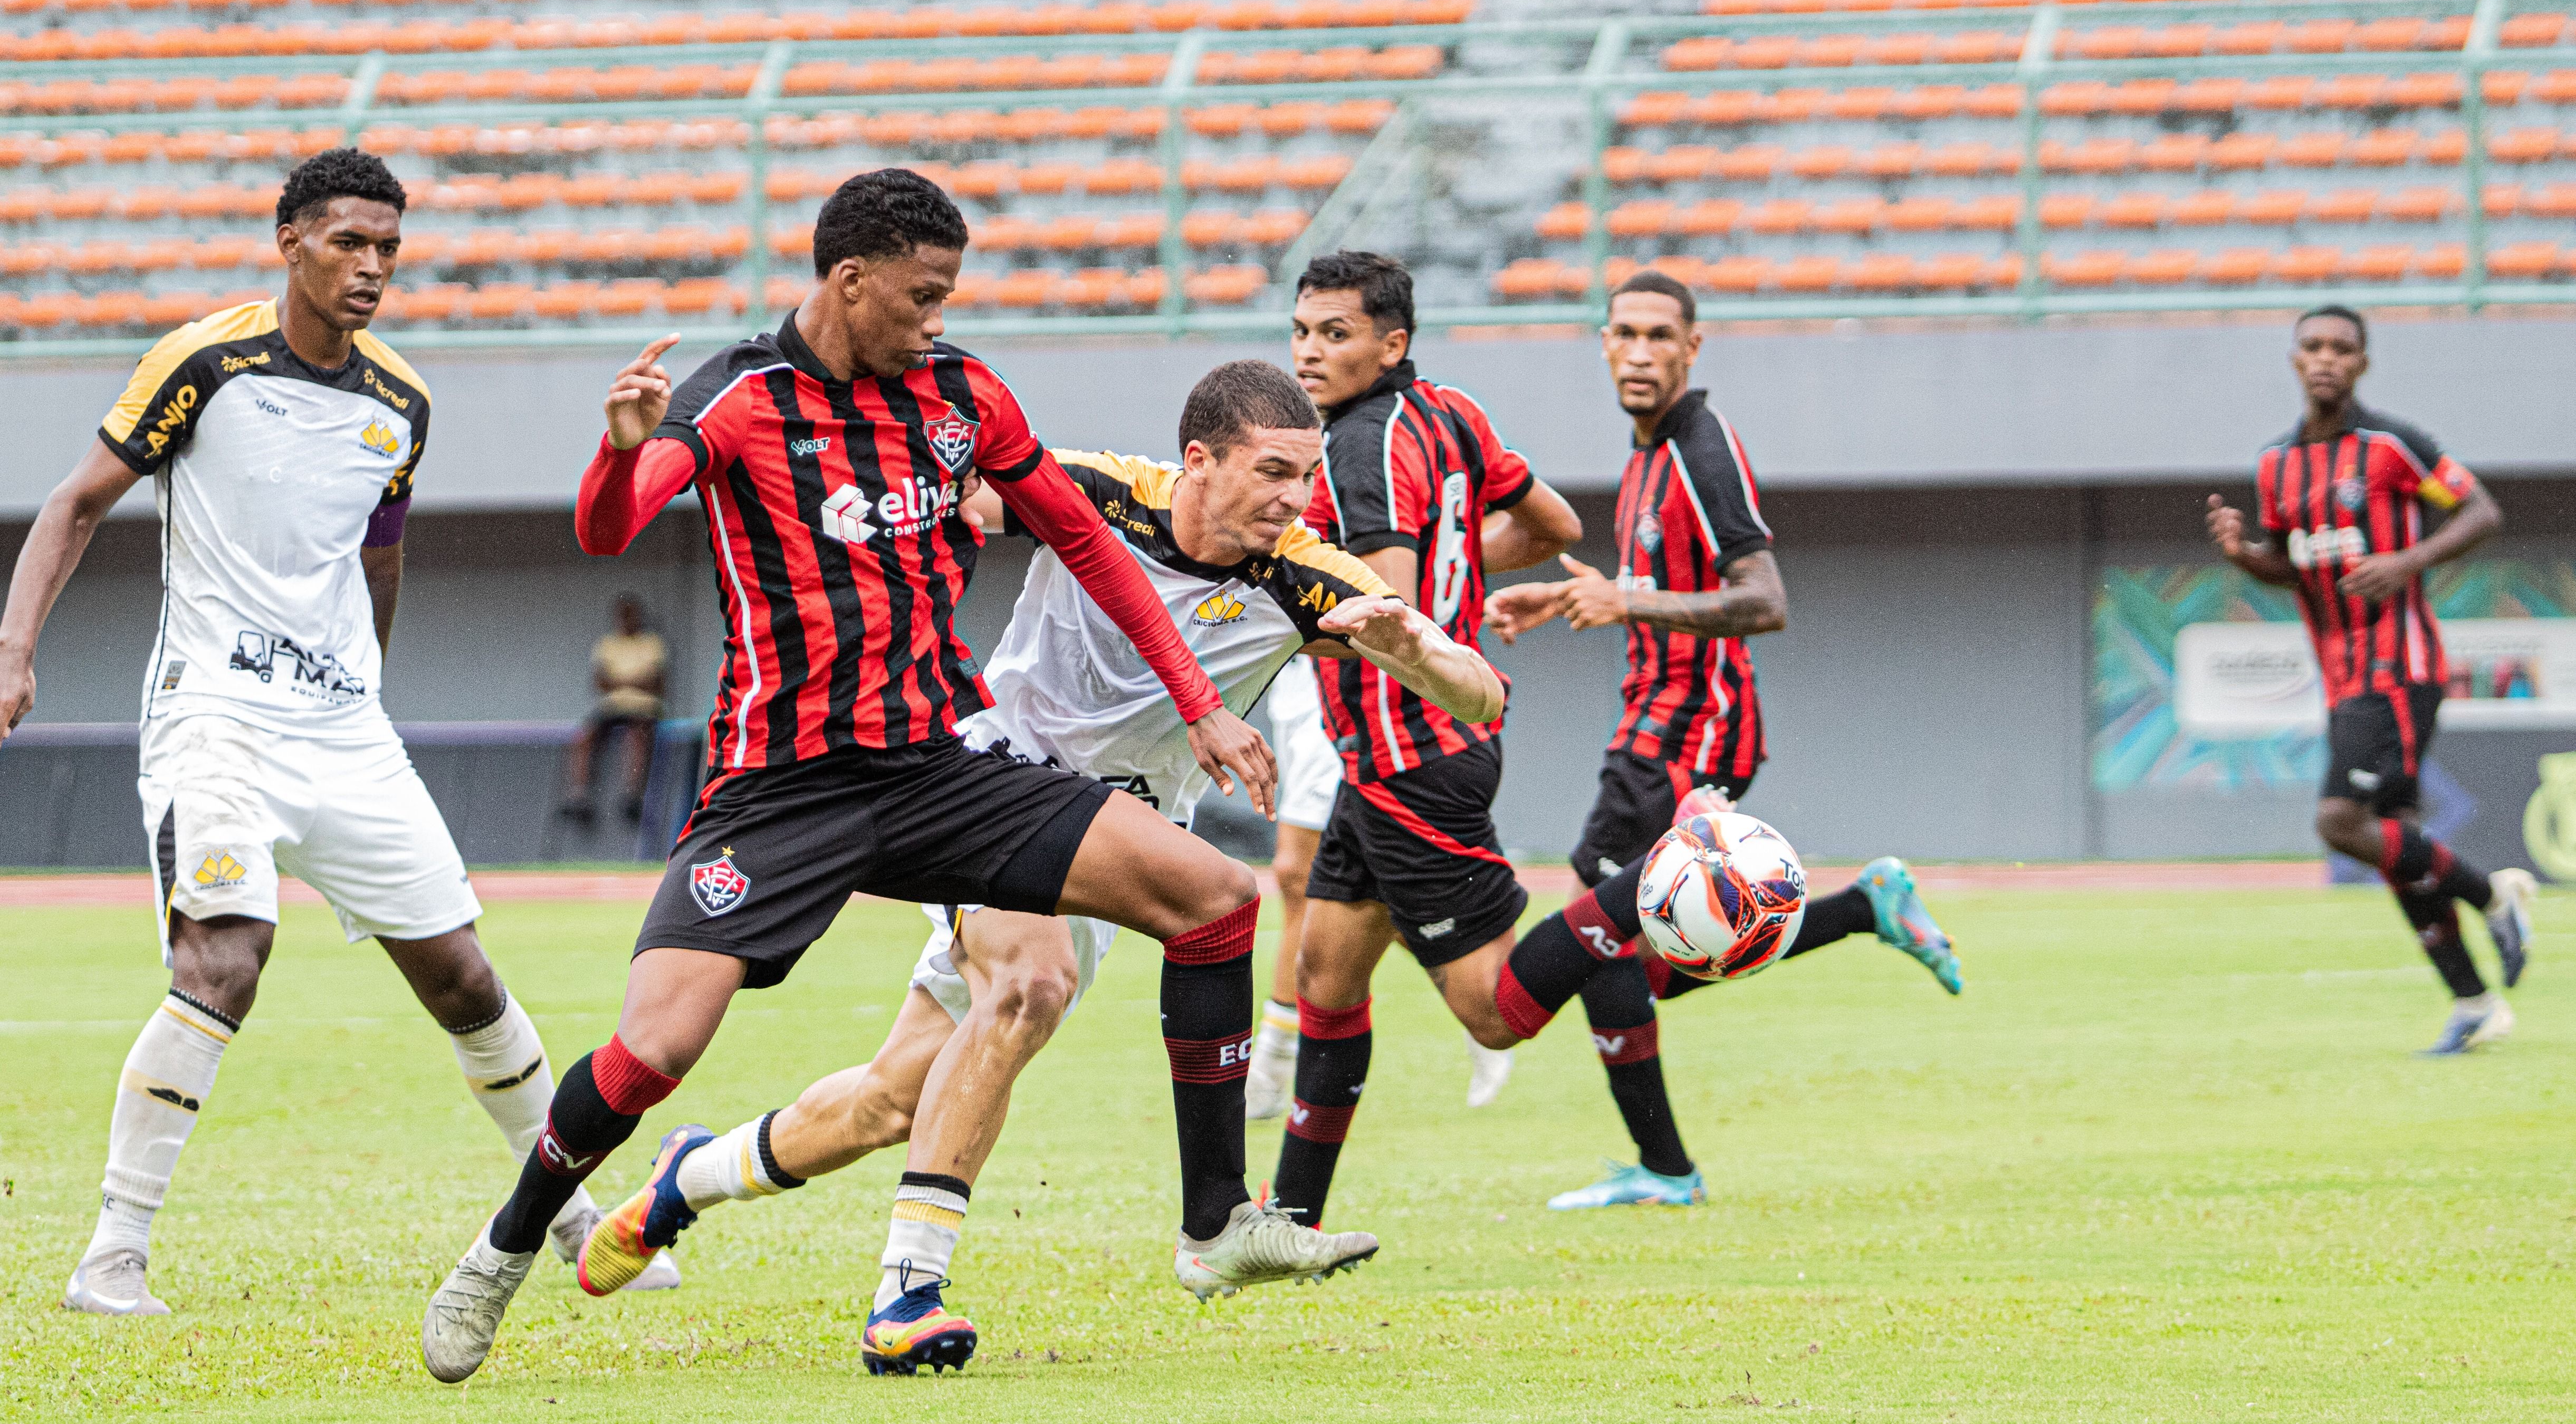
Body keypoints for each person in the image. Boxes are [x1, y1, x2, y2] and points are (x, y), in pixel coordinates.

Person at [419, 171, 1359, 1384]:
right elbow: (608, 529)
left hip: (941, 764)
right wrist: (615, 456)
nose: (937, 317)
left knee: (1215, 899)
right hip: (779, 788)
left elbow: (1081, 536)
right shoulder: (740, 398)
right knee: (655, 1048)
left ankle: (1210, 1220)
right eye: (922, 296)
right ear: (848, 281)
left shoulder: (961, 395)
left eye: (947, 296)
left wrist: (1197, 704)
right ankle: (499, 1253)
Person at [572, 360, 1499, 1375]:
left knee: (891, 1100)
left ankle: (685, 1179)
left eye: (1306, 476)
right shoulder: (1095, 490)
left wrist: (1416, 647)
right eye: (1274, 471)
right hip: (985, 790)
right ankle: (909, 1294)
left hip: (1115, 851)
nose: (1295, 498)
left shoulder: (1305, 573)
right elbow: (946, 506)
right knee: (1028, 985)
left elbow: (1480, 697)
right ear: (1199, 460)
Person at [0, 148, 673, 1316]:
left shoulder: (400, 402)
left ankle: (565, 1211)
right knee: (226, 952)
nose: (371, 268)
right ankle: (112, 1251)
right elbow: (73, 502)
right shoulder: (204, 361)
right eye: (349, 243)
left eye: (389, 250)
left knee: (464, 977)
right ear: (291, 242)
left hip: (344, 730)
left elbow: (381, 553)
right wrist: (13, 648)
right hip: (214, 713)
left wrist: (363, 688)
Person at [1482, 271, 1964, 1209]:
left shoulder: (1702, 448)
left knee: (1606, 947)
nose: (1638, 351)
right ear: (1604, 341)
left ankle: (1667, 1169)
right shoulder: (1647, 454)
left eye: (1660, 335)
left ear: (1690, 349)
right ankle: (1865, 907)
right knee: (1637, 955)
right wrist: (1572, 597)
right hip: (1653, 724)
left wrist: (1627, 598)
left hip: (1687, 734)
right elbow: (1662, 581)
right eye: (1623, 332)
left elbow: (1763, 600)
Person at [1268, 251, 1586, 1226]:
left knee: (1491, 1009)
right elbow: (1553, 525)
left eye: (1337, 334)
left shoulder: (1359, 445)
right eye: (1302, 331)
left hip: (1414, 752)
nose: (1311, 353)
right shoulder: (1451, 411)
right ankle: (1288, 1224)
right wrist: (1457, 571)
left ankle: (1649, 893)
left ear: (1389, 342)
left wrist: (1247, 609)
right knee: (1324, 970)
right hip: (1387, 756)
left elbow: (1381, 607)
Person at [2205, 304, 2536, 1056]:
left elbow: (2480, 510)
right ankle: (2474, 1001)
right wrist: (2244, 557)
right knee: (2393, 845)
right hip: (2339, 671)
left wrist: (2405, 561)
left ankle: (2492, 893)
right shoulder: (2275, 466)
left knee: (2337, 821)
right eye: (2311, 346)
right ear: (2293, 359)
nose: (2325, 358)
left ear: (2361, 362)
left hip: (2398, 665)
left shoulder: (2392, 446)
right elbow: (2295, 571)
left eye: (2341, 348)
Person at [1244, 654, 1336, 1120]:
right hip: (1294, 670)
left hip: (1344, 669)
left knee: (1299, 873)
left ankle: (1271, 1066)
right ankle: (1471, 982)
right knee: (1355, 889)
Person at [559, 593, 666, 825]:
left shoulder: (652, 642)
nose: (627, 619)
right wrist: (636, 680)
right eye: (622, 615)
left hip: (643, 708)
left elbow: (657, 683)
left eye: (631, 614)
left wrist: (619, 680)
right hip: (613, 707)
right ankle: (579, 797)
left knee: (636, 737)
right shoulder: (607, 644)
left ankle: (632, 797)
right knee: (585, 737)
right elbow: (600, 682)